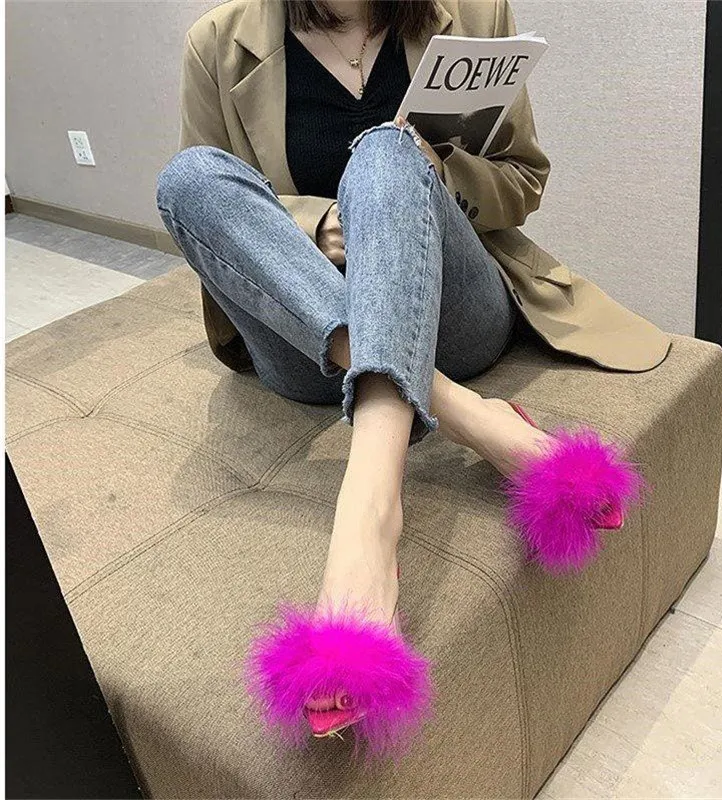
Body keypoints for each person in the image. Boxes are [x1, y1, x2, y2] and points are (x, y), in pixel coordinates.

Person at [156, 0, 663, 758]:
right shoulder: (217, 43)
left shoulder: (474, 11)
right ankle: (469, 415)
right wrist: (323, 223)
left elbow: (523, 179)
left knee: (388, 153)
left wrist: (429, 170)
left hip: (455, 312)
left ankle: (368, 518)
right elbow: (224, 213)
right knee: (188, 178)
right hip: (307, 337)